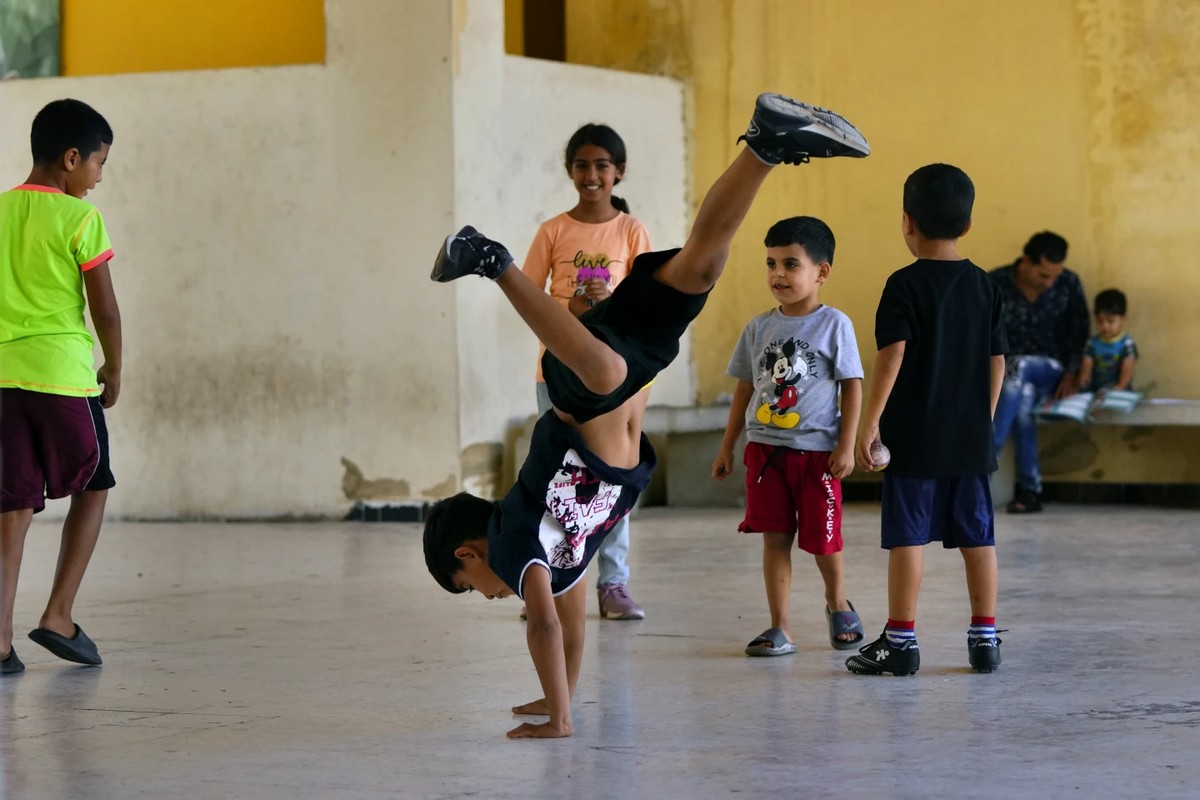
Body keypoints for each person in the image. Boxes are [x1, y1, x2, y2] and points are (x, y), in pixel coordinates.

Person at [424, 92, 870, 738]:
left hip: (583, 383)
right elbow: (571, 630)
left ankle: (488, 260)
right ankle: (767, 145)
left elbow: (544, 626)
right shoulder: (558, 560)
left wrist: (563, 723)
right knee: (702, 265)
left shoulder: (519, 543)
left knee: (603, 370)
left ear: (470, 552)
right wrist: (559, 699)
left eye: (470, 584)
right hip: (627, 360)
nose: (488, 596)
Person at [845, 163, 1007, 677]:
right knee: (979, 537)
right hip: (969, 440)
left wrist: (869, 425)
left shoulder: (903, 285)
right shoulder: (986, 286)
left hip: (913, 437)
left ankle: (901, 642)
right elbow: (996, 360)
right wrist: (983, 419)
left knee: (908, 538)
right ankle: (984, 639)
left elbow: (892, 354)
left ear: (906, 222)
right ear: (968, 225)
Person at [1, 99, 122, 675]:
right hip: (63, 378)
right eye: (99, 162)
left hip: (2, 381)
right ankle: (58, 614)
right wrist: (114, 367)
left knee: (12, 503)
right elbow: (106, 307)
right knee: (94, 484)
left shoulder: (0, 212)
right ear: (71, 159)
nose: (100, 176)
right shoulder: (79, 219)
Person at [711, 215, 864, 657]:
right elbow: (745, 387)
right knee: (775, 537)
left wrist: (846, 445)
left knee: (822, 539)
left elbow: (852, 385)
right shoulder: (759, 327)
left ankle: (838, 603)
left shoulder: (835, 325)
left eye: (791, 264)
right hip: (765, 452)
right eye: (771, 263)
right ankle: (780, 627)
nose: (778, 274)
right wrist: (728, 445)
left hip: (817, 455)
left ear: (821, 272)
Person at [519, 123, 652, 621]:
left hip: (620, 380)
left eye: (602, 166)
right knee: (557, 478)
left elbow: (647, 304)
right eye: (582, 165)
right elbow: (528, 296)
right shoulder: (553, 231)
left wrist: (609, 307)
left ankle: (613, 584)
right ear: (569, 170)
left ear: (618, 172)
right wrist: (570, 308)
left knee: (612, 480)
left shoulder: (631, 230)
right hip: (556, 376)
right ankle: (548, 582)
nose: (591, 175)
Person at [990, 231, 1089, 513]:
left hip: (1053, 373)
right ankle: (1029, 491)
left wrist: (1071, 373)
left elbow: (1080, 334)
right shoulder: (994, 283)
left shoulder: (1069, 284)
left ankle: (984, 464)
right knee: (1022, 398)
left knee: (1018, 367)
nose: (1051, 283)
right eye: (1044, 275)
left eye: (1055, 276)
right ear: (1025, 262)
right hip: (1004, 380)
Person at [1078, 289, 1137, 392]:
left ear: (1123, 319)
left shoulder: (1127, 344)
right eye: (1100, 321)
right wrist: (1084, 378)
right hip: (1096, 391)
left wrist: (1119, 387)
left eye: (1111, 321)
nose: (1105, 326)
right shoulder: (1092, 343)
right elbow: (1086, 366)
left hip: (1120, 390)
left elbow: (1127, 371)